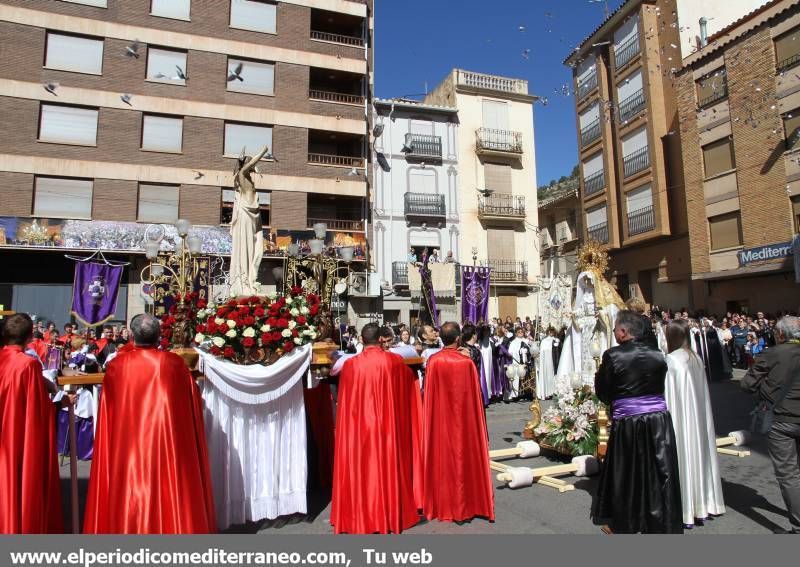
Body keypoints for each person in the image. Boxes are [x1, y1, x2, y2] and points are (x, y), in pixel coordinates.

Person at [84, 314, 216, 534]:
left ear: (133, 337)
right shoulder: (174, 363)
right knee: (169, 485)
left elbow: (110, 407)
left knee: (129, 487)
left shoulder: (117, 365)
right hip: (166, 443)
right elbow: (192, 398)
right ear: (159, 336)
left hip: (128, 446)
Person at [592, 311, 683, 534]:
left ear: (623, 332)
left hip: (629, 422)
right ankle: (662, 520)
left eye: (615, 329)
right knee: (658, 470)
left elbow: (604, 393)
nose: (614, 333)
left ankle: (625, 522)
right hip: (658, 420)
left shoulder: (613, 355)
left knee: (628, 472)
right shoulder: (658, 354)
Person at [331, 323, 423, 534]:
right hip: (385, 426)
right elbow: (407, 385)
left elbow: (344, 399)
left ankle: (360, 514)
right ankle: (388, 513)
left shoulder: (351, 365)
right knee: (386, 466)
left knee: (362, 469)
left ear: (362, 340)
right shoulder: (394, 361)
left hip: (359, 427)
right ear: (381, 339)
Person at [422, 322, 494, 523]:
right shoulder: (466, 362)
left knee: (443, 459)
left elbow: (429, 395)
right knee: (464, 457)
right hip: (464, 421)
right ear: (457, 339)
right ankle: (468, 503)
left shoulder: (434, 361)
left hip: (441, 421)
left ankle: (442, 503)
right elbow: (475, 397)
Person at [0, 314, 63, 533]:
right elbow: (37, 410)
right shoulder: (28, 365)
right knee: (16, 485)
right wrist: (60, 402)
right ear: (29, 338)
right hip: (14, 436)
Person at [741, 316, 800, 534]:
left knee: (788, 474)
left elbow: (747, 385)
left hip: (780, 420)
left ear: (782, 334)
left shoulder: (772, 353)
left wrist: (767, 389)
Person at [664, 320, 725, 529]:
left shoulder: (671, 360)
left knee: (683, 456)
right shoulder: (696, 358)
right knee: (699, 454)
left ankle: (686, 507)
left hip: (680, 420)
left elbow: (669, 397)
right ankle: (705, 502)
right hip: (698, 419)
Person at [229, 145, 271, 297]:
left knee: (254, 249)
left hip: (252, 218)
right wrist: (263, 152)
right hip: (245, 217)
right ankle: (244, 281)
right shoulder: (241, 175)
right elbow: (248, 166)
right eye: (251, 164)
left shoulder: (249, 181)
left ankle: (250, 280)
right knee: (245, 248)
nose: (254, 166)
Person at [462, 324, 488, 406]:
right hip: (472, 381)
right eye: (476, 334)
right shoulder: (473, 351)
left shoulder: (461, 347)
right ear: (473, 336)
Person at [536, 327, 558, 400]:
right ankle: (547, 392)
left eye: (552, 331)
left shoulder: (556, 340)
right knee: (547, 376)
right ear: (548, 332)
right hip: (546, 361)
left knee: (552, 375)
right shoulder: (544, 341)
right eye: (550, 331)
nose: (551, 333)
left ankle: (553, 391)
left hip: (553, 360)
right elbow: (542, 351)